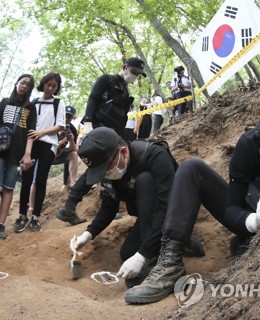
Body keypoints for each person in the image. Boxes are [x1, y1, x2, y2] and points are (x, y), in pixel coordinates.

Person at [124, 76, 260, 304]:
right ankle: (170, 263)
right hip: (246, 220)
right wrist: (252, 220)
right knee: (192, 168)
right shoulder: (252, 144)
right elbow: (232, 205)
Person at [70, 127, 179, 288]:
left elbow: (168, 205)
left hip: (172, 212)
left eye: (105, 168)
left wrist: (144, 256)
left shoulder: (154, 155)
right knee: (127, 253)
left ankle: (163, 258)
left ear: (124, 152)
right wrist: (88, 234)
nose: (105, 174)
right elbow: (109, 206)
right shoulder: (112, 173)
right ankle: (172, 240)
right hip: (148, 218)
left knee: (144, 180)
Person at [57, 57, 146, 225]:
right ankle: (104, 207)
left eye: (138, 74)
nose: (135, 76)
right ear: (124, 67)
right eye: (134, 72)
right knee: (104, 167)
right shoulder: (107, 80)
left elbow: (120, 118)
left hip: (112, 136)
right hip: (98, 130)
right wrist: (89, 123)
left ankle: (70, 207)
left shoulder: (125, 91)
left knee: (103, 167)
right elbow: (92, 98)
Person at [0, 74, 36, 242]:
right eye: (22, 82)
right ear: (16, 84)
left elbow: (31, 132)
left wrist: (28, 153)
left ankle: (1, 225)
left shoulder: (30, 108)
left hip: (17, 154)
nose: (24, 86)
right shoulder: (5, 102)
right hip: (0, 151)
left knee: (8, 188)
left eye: (28, 85)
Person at [15, 72, 65, 233]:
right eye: (48, 84)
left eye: (54, 86)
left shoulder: (59, 103)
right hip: (31, 144)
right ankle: (22, 215)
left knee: (41, 179)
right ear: (43, 84)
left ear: (56, 88)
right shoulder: (33, 103)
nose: (50, 88)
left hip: (49, 145)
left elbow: (60, 126)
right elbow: (26, 125)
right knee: (26, 179)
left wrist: (41, 133)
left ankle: (35, 216)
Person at [53, 105, 79, 191]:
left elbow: (74, 149)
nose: (67, 119)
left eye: (69, 117)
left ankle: (73, 184)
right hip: (47, 154)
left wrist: (71, 140)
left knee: (73, 154)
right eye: (65, 115)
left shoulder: (72, 129)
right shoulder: (53, 124)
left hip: (59, 153)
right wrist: (59, 139)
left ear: (72, 118)